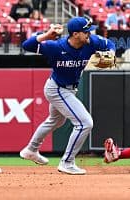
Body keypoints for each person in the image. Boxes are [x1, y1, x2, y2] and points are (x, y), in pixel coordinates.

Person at [20, 17, 116, 175]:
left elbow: (109, 44)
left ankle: (31, 149)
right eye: (86, 32)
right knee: (85, 123)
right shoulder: (56, 47)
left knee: (55, 121)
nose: (89, 34)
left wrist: (111, 54)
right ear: (76, 34)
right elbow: (26, 45)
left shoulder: (91, 42)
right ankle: (67, 162)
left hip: (69, 89)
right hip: (57, 89)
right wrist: (46, 35)